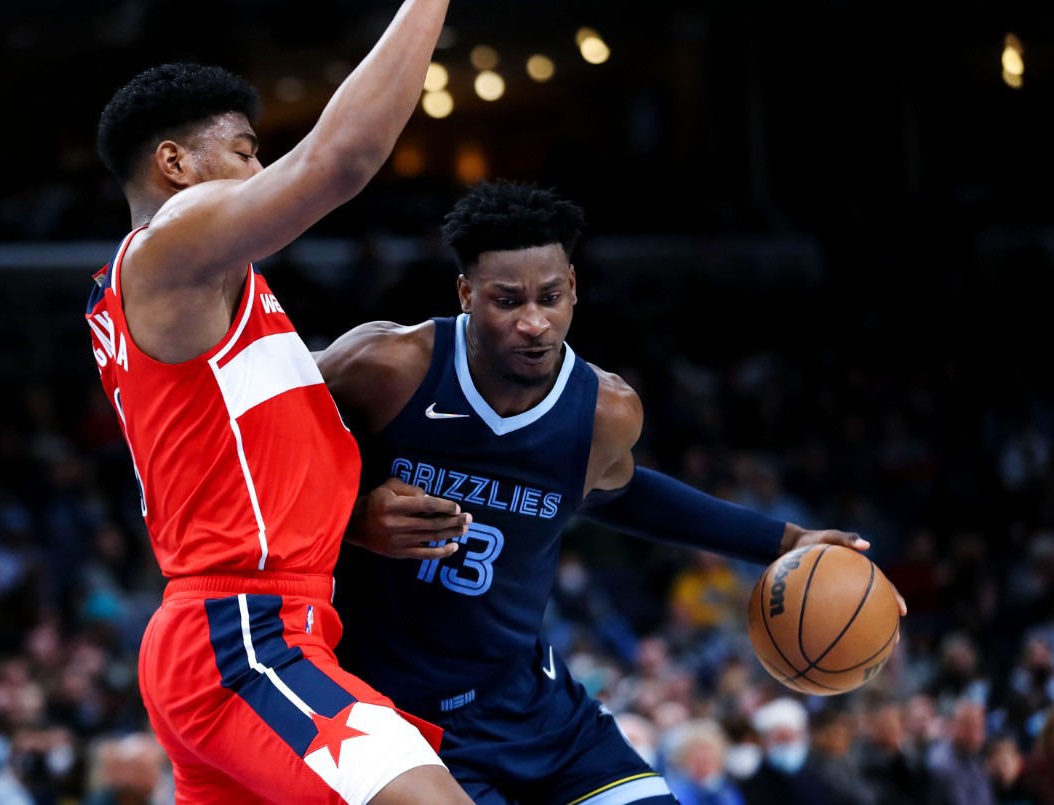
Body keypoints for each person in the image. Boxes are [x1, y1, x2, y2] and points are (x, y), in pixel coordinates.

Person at [315, 179, 907, 803]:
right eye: (506, 301)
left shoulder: (605, 411)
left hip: (527, 702)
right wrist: (351, 516)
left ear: (574, 286)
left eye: (549, 296)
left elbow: (624, 493)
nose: (533, 322)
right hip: (393, 716)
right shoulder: (387, 367)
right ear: (466, 294)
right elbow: (240, 442)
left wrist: (789, 539)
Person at [83, 0, 475, 800]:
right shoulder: (167, 249)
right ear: (174, 165)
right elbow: (341, 160)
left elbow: (245, 455)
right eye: (245, 152)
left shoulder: (214, 301)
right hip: (244, 636)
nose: (264, 175)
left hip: (253, 629)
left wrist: (349, 511)